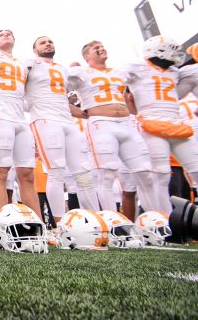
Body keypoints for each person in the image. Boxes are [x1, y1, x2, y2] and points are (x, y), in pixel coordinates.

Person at [67, 40, 158, 216]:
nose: (101, 49)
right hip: (101, 124)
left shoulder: (119, 72)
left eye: (102, 46)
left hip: (126, 124)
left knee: (145, 173)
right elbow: (54, 90)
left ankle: (155, 220)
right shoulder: (80, 72)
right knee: (106, 175)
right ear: (87, 56)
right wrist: (77, 112)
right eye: (96, 48)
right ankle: (112, 221)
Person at [26, 36, 99, 224]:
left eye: (50, 41)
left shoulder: (62, 69)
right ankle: (60, 224)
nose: (48, 43)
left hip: (66, 119)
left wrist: (87, 113)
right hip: (44, 119)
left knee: (84, 173)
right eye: (42, 42)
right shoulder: (30, 64)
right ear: (34, 50)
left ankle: (94, 221)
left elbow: (64, 102)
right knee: (56, 171)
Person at [122, 36, 198, 213]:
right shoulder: (136, 67)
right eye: (171, 49)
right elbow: (114, 82)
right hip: (151, 125)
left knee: (195, 168)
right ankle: (164, 221)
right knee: (161, 175)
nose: (175, 54)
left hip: (176, 125)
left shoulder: (176, 72)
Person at [0, 30, 42, 219]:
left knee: (27, 174)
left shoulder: (23, 63)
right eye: (1, 34)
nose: (6, 35)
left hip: (20, 117)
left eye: (9, 33)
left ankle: (40, 226)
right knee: (1, 171)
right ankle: (3, 223)